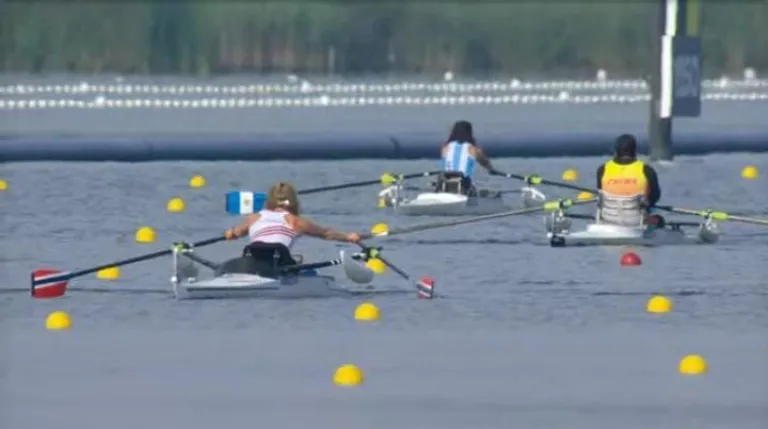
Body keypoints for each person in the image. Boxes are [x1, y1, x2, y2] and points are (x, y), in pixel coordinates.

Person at [222, 182, 361, 275]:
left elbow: (235, 233)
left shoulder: (254, 217)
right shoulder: (295, 221)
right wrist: (348, 237)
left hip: (252, 254)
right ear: (293, 201)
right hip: (279, 256)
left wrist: (230, 233)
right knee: (303, 268)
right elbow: (326, 233)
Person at [596, 134, 664, 227]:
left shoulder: (602, 170)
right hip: (636, 219)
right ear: (634, 151)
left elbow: (600, 191)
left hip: (608, 218)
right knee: (659, 220)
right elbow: (655, 196)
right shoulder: (646, 170)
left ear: (616, 150)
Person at [438, 120, 495, 195]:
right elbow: (485, 163)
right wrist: (491, 169)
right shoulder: (473, 149)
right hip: (463, 182)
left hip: (444, 179)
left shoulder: (445, 148)